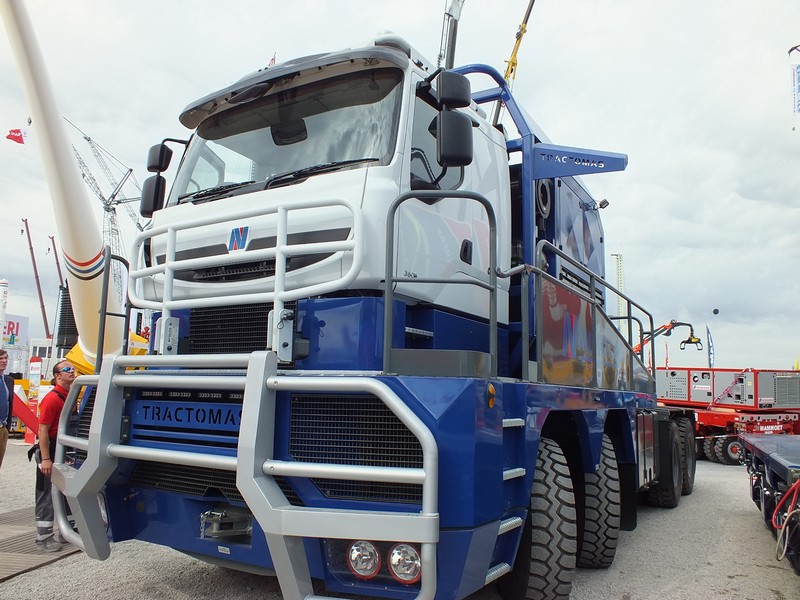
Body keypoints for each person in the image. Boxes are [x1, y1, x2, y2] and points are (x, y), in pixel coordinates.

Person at [35, 359, 76, 552]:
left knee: (65, 491)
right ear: (57, 376)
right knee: (47, 494)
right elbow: (42, 430)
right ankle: (43, 537)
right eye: (67, 369)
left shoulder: (69, 397)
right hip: (50, 451)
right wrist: (45, 459)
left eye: (73, 368)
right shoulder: (52, 399)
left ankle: (66, 531)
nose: (72, 371)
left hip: (63, 451)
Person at [0, 349, 13, 470]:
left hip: (3, 429)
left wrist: (7, 428)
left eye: (5, 358)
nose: (4, 361)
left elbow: (9, 403)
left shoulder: (8, 381)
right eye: (0, 359)